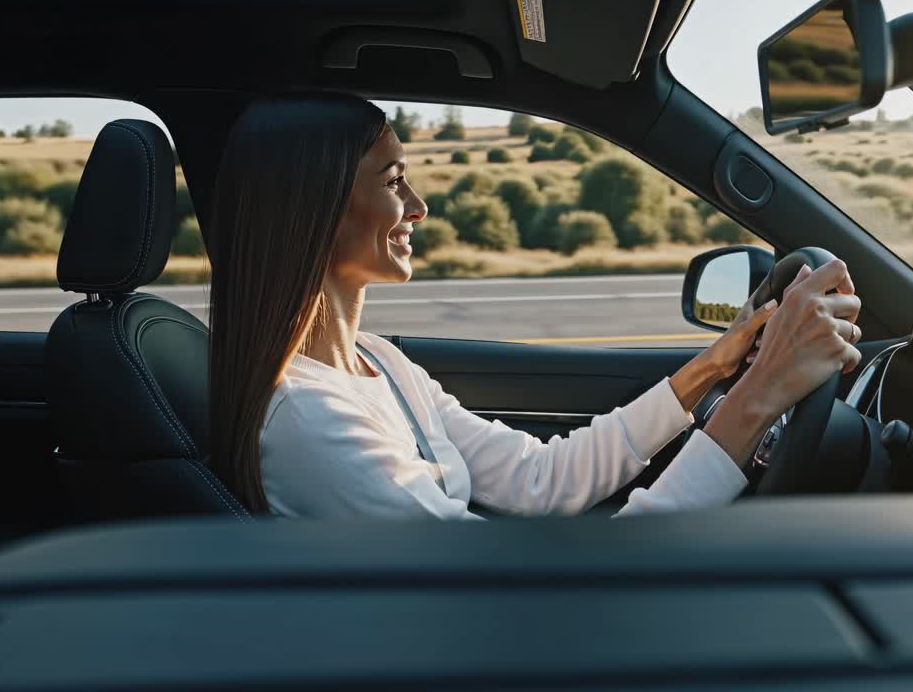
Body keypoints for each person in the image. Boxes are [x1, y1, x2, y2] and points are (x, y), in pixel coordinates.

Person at [207, 95, 862, 518]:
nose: (418, 207)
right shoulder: (308, 423)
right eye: (392, 180)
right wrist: (757, 400)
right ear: (313, 208)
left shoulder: (377, 362)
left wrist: (716, 370)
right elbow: (506, 594)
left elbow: (540, 478)